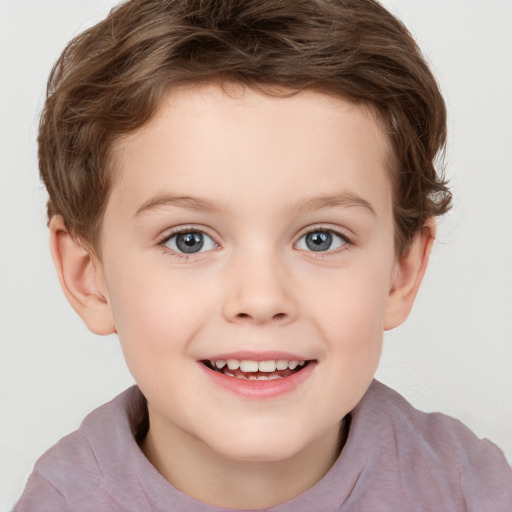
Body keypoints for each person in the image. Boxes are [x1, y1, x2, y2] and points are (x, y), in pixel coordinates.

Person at [14, 0, 512, 510]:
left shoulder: (471, 490)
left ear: (401, 272)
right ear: (87, 276)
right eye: (189, 239)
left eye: (321, 238)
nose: (261, 298)